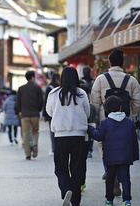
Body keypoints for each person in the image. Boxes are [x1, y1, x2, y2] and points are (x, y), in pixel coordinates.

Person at [91, 49, 140, 194]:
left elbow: (94, 104)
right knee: (123, 149)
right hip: (125, 122)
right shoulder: (131, 80)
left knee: (105, 149)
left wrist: (98, 117)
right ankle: (121, 178)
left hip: (106, 121)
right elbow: (138, 101)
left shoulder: (101, 79)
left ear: (109, 62)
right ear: (123, 63)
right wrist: (130, 111)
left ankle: (111, 176)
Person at [46, 66, 90, 206]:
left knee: (60, 167)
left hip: (60, 136)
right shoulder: (81, 93)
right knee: (77, 168)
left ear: (62, 77)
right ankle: (75, 201)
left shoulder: (54, 93)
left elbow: (50, 112)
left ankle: (66, 190)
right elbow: (87, 113)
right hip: (78, 136)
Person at [88, 96, 139, 206]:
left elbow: (98, 136)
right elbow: (134, 140)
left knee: (110, 178)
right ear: (121, 107)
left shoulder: (105, 123)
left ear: (106, 109)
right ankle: (126, 200)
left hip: (110, 157)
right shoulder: (128, 122)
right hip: (125, 156)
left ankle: (109, 200)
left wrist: (91, 129)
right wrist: (134, 155)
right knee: (125, 177)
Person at [16, 70, 44, 160]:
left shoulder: (21, 89)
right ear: (32, 77)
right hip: (35, 114)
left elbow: (18, 102)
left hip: (25, 115)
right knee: (35, 131)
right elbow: (41, 101)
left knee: (25, 134)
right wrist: (38, 110)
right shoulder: (37, 88)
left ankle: (27, 154)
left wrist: (20, 111)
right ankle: (35, 144)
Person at [79, 83, 98, 192]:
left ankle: (75, 180)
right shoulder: (90, 107)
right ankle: (82, 182)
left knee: (73, 160)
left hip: (72, 136)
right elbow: (93, 125)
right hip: (85, 138)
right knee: (82, 160)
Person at [42, 72, 60, 156]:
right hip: (59, 113)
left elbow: (46, 102)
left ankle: (53, 149)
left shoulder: (49, 88)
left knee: (52, 132)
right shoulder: (61, 88)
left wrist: (44, 115)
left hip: (51, 113)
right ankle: (58, 148)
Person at [80, 66, 94, 158]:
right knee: (91, 127)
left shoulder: (80, 82)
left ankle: (83, 147)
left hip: (81, 107)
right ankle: (90, 149)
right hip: (91, 105)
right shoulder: (93, 82)